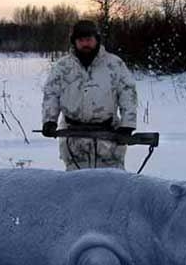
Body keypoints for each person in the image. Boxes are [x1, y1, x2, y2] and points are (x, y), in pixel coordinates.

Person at [41, 20, 137, 170]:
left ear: (96, 40)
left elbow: (128, 93)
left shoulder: (114, 64)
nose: (85, 44)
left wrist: (128, 124)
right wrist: (49, 120)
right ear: (74, 42)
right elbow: (51, 94)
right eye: (81, 40)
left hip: (109, 140)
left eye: (89, 39)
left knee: (112, 181)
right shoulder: (62, 66)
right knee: (77, 182)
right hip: (73, 142)